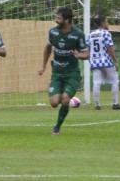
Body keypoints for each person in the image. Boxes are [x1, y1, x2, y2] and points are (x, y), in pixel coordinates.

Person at [38, 7, 89, 135]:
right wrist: (43, 66)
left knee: (65, 99)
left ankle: (57, 127)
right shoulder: (53, 32)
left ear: (67, 20)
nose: (56, 20)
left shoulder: (78, 34)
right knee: (54, 103)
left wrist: (79, 56)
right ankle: (57, 90)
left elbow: (87, 54)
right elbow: (48, 48)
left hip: (72, 74)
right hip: (57, 73)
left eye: (59, 18)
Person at [87, 15, 120, 110]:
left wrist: (90, 60)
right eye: (107, 21)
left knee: (96, 82)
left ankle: (97, 105)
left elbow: (88, 49)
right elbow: (110, 48)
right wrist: (116, 61)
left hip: (95, 62)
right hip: (106, 61)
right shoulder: (106, 33)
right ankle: (115, 103)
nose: (108, 23)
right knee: (115, 81)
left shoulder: (90, 34)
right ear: (103, 23)